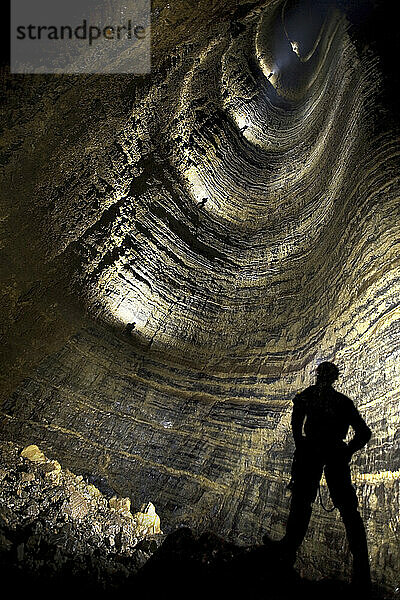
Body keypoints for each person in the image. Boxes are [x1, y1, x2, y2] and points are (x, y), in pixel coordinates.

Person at [278, 361, 372, 590]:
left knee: (301, 504)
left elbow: (296, 421)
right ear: (335, 378)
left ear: (318, 375)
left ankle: (285, 559)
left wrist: (301, 443)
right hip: (334, 453)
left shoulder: (308, 395)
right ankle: (361, 573)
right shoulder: (343, 402)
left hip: (312, 453)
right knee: (348, 510)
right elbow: (364, 432)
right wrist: (347, 451)